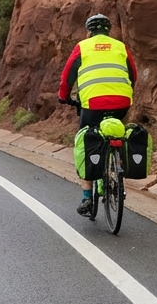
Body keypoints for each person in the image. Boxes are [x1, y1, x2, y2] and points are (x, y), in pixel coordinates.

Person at [58, 14, 137, 217]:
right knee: (115, 131)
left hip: (93, 104)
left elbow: (67, 77)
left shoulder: (82, 47)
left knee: (86, 141)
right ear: (108, 30)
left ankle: (86, 196)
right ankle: (117, 163)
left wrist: (63, 97)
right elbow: (133, 74)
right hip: (122, 101)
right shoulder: (120, 46)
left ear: (89, 31)